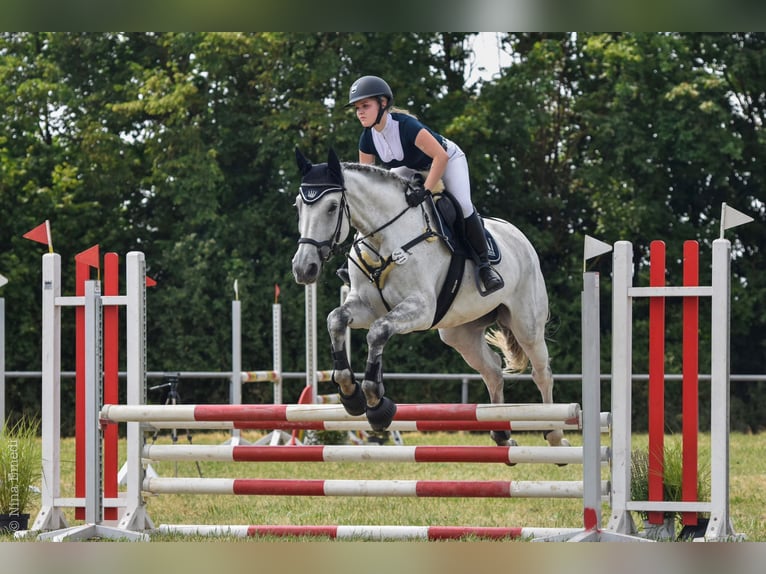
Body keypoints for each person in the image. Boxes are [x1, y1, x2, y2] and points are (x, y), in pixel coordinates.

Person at [342, 74, 503, 294]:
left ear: (383, 103)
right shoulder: (367, 138)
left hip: (446, 158)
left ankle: (485, 266)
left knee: (463, 205)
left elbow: (441, 157)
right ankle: (355, 261)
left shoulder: (406, 126)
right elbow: (367, 181)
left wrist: (426, 190)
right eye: (357, 107)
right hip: (411, 165)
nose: (360, 111)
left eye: (365, 105)